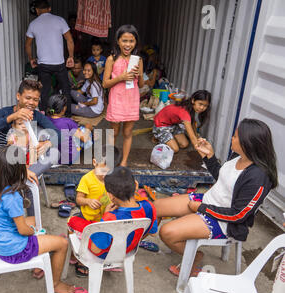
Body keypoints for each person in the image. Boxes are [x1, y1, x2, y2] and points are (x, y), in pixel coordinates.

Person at [155, 118, 278, 277]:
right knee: (156, 206)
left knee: (166, 232)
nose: (232, 138)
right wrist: (209, 156)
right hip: (207, 201)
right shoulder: (238, 155)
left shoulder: (258, 178)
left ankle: (195, 258)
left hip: (224, 220)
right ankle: (132, 243)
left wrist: (200, 208)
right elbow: (223, 178)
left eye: (235, 136)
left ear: (247, 144)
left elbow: (238, 214)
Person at [0, 146, 88, 293]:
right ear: (18, 170)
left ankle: (42, 260)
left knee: (34, 223)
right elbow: (23, 231)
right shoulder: (12, 197)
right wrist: (32, 230)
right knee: (62, 243)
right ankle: (56, 284)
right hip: (14, 251)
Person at [67, 166, 157, 260]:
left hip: (106, 255)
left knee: (72, 220)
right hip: (129, 249)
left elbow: (96, 248)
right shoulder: (149, 206)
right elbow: (153, 232)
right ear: (136, 184)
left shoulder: (110, 218)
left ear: (110, 196)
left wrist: (104, 218)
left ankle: (74, 258)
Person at [0, 79, 60, 184]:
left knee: (55, 153)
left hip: (28, 158)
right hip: (7, 159)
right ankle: (24, 181)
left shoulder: (36, 115)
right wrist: (13, 116)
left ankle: (24, 179)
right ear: (18, 96)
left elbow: (57, 133)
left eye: (35, 99)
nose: (31, 102)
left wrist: (47, 143)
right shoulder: (4, 112)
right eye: (28, 98)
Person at [103, 25, 145, 167]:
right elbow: (105, 83)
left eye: (131, 41)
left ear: (136, 43)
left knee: (127, 132)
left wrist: (139, 75)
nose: (128, 45)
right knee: (114, 132)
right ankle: (109, 160)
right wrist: (121, 77)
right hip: (117, 100)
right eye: (124, 41)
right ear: (118, 42)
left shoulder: (138, 60)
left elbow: (140, 85)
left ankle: (124, 161)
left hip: (131, 99)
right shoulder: (111, 59)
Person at [25, 0, 75, 116]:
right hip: (59, 64)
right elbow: (70, 40)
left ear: (37, 10)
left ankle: (45, 116)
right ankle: (67, 116)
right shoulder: (60, 20)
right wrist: (71, 57)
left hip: (43, 65)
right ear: (49, 9)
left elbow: (27, 45)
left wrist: (31, 58)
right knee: (66, 90)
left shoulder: (33, 24)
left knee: (45, 91)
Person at [46, 94, 92, 165]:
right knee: (84, 131)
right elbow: (84, 139)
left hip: (53, 158)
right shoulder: (68, 122)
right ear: (64, 109)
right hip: (69, 159)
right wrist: (88, 128)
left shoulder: (44, 120)